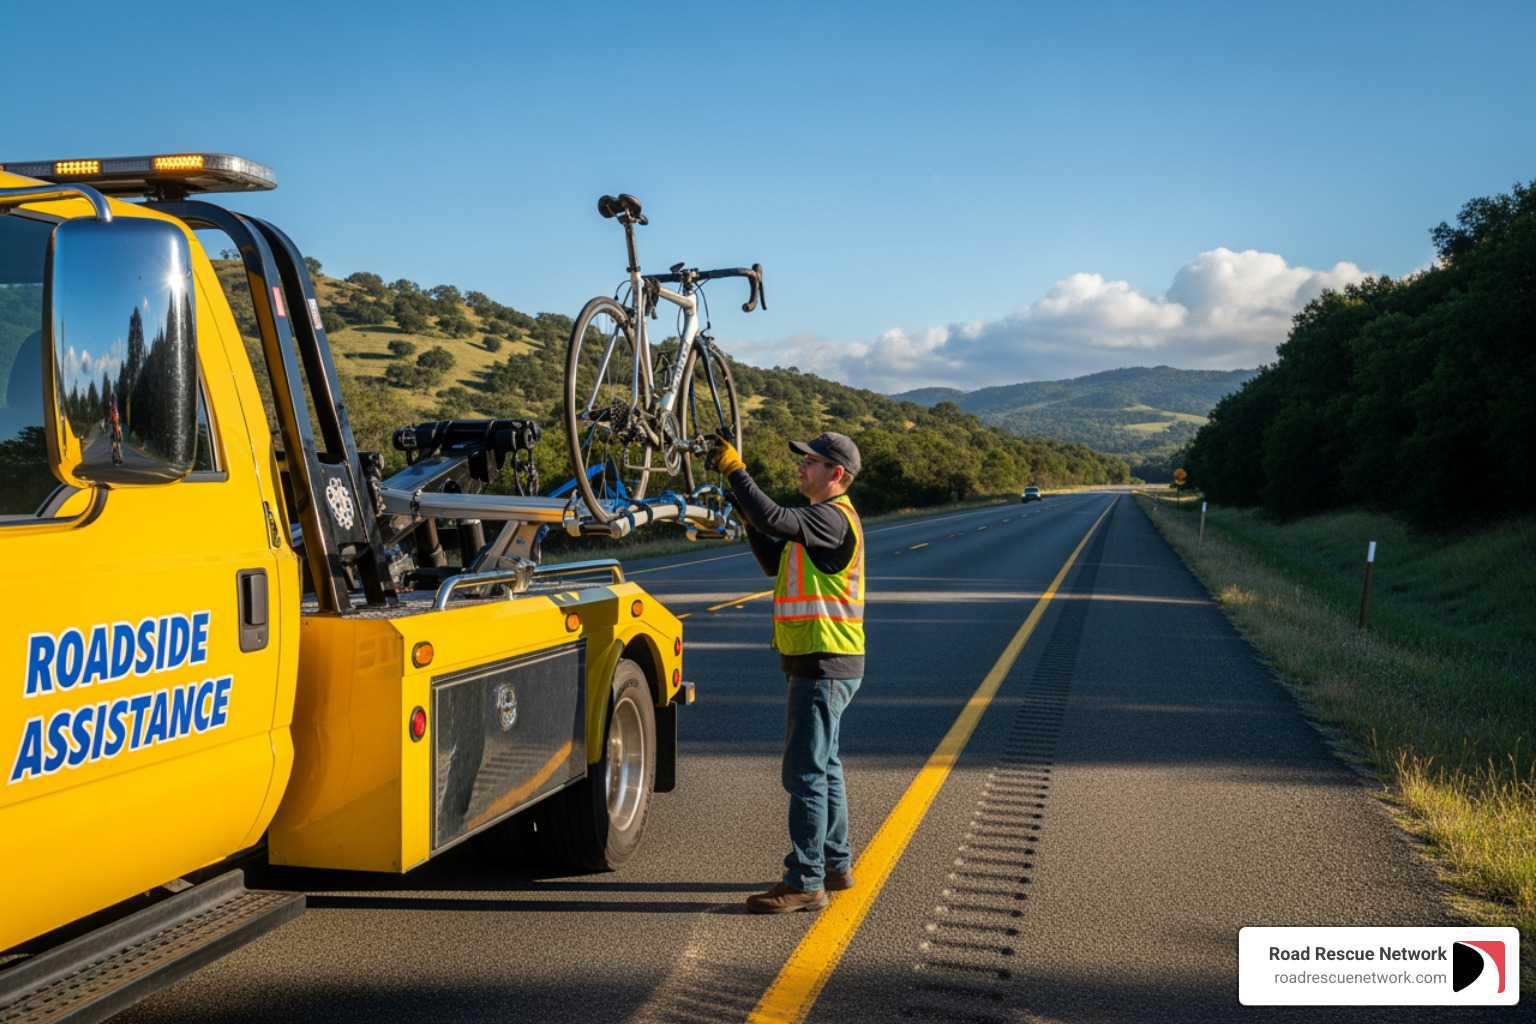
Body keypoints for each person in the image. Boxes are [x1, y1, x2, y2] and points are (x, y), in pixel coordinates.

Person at [705, 430, 865, 914]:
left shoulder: (831, 519)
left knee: (805, 773)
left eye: (811, 462)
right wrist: (745, 513)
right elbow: (774, 560)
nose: (802, 467)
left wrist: (737, 471)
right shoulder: (819, 525)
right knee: (825, 766)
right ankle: (835, 865)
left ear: (836, 474)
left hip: (823, 661)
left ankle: (805, 880)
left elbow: (773, 516)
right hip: (824, 660)